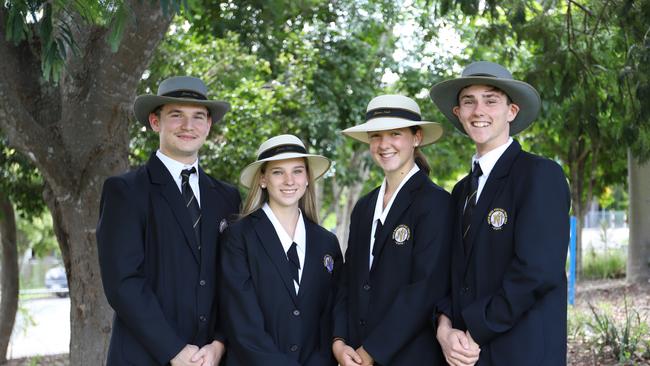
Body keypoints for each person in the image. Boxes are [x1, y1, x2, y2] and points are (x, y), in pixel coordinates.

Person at [429, 61, 570, 366]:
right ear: (458, 114)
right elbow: (453, 275)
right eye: (469, 101)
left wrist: (474, 331)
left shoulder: (540, 175)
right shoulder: (461, 191)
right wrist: (445, 328)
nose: (479, 110)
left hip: (522, 352)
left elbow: (536, 272)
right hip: (467, 356)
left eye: (491, 100)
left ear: (512, 111)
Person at [97, 76, 241, 366]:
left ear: (208, 125)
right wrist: (174, 350)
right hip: (145, 357)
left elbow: (234, 280)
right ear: (155, 122)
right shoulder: (125, 192)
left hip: (210, 359)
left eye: (198, 117)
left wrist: (219, 343)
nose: (188, 126)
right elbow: (122, 283)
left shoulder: (227, 197)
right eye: (176, 115)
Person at [332, 94, 452, 366]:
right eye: (376, 136)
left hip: (410, 357)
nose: (384, 145)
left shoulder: (436, 203)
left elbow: (424, 290)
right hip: (355, 353)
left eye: (395, 134)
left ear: (417, 138)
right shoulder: (364, 207)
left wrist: (370, 352)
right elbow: (348, 281)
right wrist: (339, 341)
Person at [220, 134, 343, 366]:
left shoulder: (327, 243)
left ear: (307, 178)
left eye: (297, 171)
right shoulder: (238, 237)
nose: (289, 180)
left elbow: (329, 318)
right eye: (278, 172)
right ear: (263, 180)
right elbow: (242, 323)